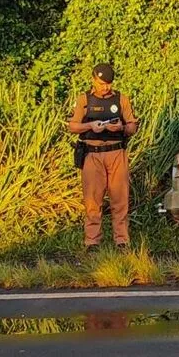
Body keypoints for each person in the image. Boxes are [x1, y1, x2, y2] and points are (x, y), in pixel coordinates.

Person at [68, 64, 138, 251]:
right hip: (92, 153)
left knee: (120, 199)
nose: (105, 87)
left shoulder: (121, 99)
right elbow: (73, 126)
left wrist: (122, 128)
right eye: (101, 83)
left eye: (108, 84)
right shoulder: (84, 99)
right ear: (93, 80)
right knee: (92, 200)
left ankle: (122, 241)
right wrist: (90, 126)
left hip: (116, 153)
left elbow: (132, 126)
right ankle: (92, 242)